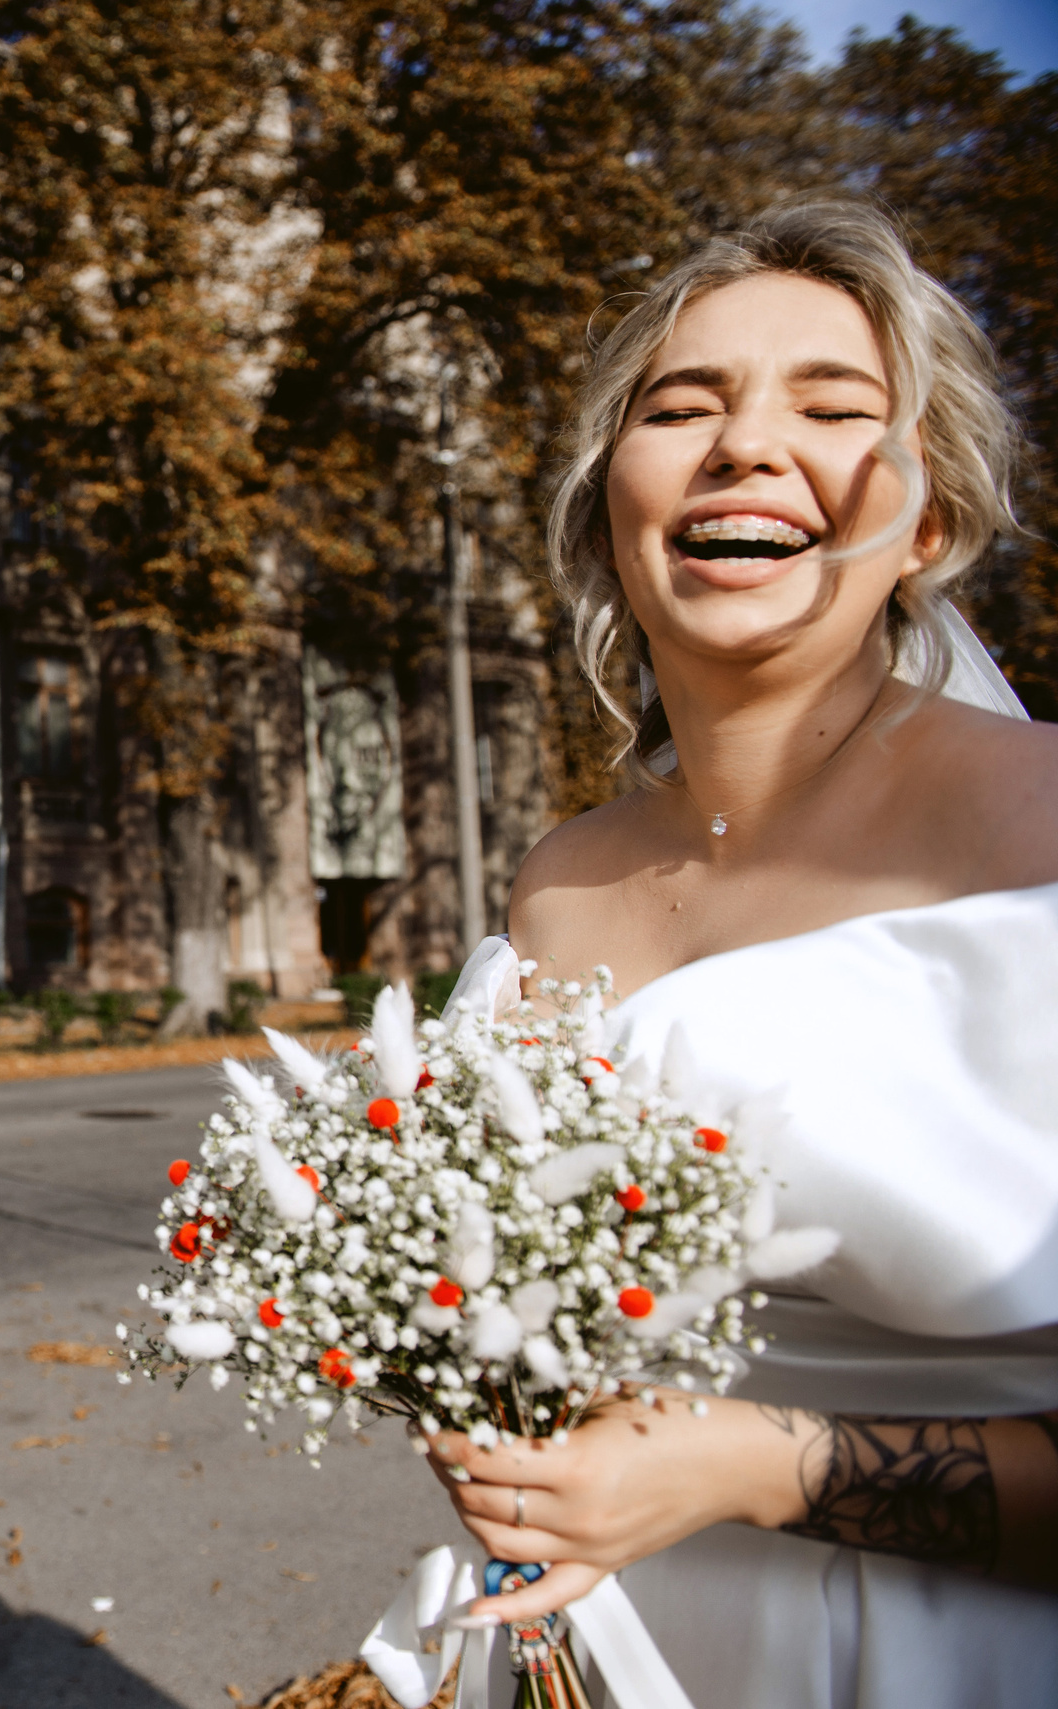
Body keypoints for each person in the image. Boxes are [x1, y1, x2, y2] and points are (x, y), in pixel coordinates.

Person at [421, 201, 1058, 1706]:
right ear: (613, 509)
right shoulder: (558, 883)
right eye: (683, 407)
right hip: (594, 1653)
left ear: (933, 523)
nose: (745, 446)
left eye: (833, 407)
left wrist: (749, 1464)